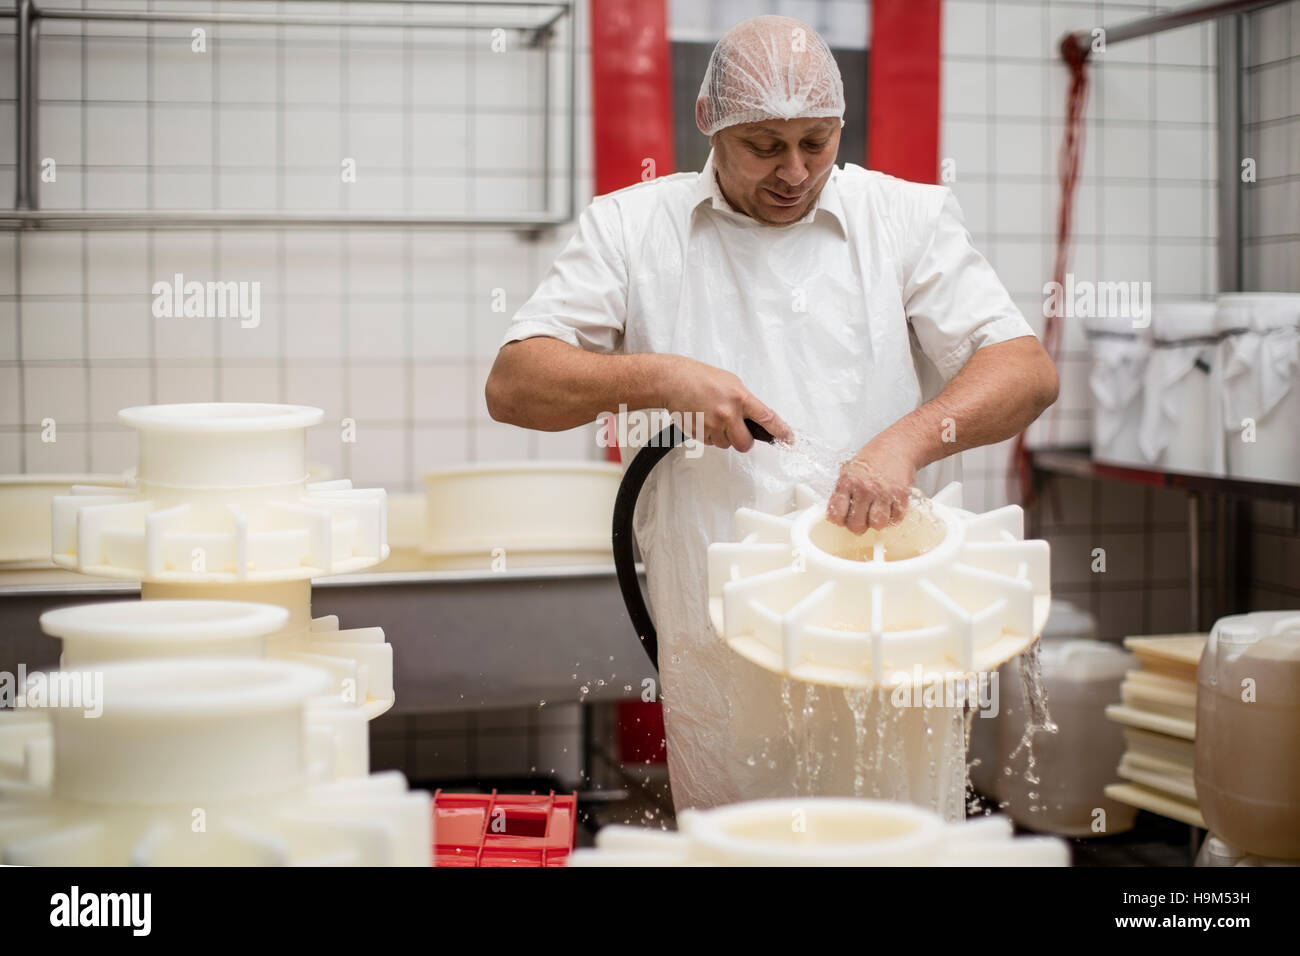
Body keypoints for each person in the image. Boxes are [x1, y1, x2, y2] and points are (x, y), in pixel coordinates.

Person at [485, 15, 1058, 812]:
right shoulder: (631, 228)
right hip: (722, 634)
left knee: (894, 839)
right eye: (764, 145)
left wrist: (906, 441)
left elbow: (1025, 370)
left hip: (888, 619)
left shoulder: (906, 219)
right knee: (739, 841)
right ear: (706, 122)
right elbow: (514, 384)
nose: (794, 171)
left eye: (816, 142)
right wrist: (668, 379)